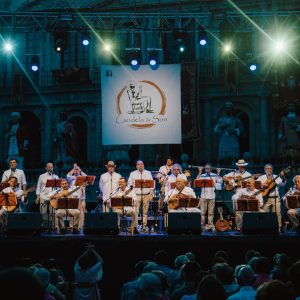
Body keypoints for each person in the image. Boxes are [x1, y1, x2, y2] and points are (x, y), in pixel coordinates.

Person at [257, 164, 286, 231]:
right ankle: (264, 228)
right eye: (267, 168)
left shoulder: (276, 177)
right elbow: (256, 185)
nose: (269, 170)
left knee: (277, 214)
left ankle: (279, 228)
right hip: (265, 198)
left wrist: (283, 177)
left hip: (275, 198)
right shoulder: (261, 177)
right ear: (264, 170)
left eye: (270, 168)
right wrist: (262, 185)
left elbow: (283, 184)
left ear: (272, 170)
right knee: (264, 213)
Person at [128, 160, 154, 232]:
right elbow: (129, 184)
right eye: (139, 164)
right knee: (135, 211)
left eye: (142, 164)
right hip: (136, 195)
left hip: (146, 194)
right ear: (136, 166)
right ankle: (134, 227)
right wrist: (132, 194)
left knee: (145, 212)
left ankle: (144, 227)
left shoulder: (148, 173)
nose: (140, 165)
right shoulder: (132, 173)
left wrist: (151, 194)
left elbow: (152, 185)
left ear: (143, 165)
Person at [197, 163, 222, 230]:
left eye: (208, 168)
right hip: (203, 196)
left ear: (211, 169)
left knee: (211, 212)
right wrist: (199, 172)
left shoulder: (214, 175)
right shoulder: (202, 175)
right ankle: (202, 225)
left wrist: (218, 173)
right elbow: (197, 181)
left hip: (212, 196)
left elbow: (220, 182)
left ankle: (210, 225)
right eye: (206, 168)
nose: (207, 169)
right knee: (202, 212)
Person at [36, 162, 59, 228]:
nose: (50, 168)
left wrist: (56, 196)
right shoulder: (41, 176)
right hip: (43, 197)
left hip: (53, 197)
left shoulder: (55, 177)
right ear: (46, 168)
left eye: (51, 167)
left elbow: (58, 188)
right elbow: (38, 187)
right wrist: (38, 197)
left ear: (53, 168)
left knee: (53, 213)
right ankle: (43, 226)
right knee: (43, 213)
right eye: (48, 167)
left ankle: (53, 226)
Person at [67, 163, 87, 229]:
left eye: (77, 170)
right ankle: (71, 226)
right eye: (75, 170)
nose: (76, 171)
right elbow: (68, 176)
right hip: (73, 198)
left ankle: (80, 226)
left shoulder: (83, 178)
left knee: (82, 213)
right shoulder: (72, 178)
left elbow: (87, 177)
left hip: (81, 198)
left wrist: (80, 170)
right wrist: (74, 168)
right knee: (73, 212)